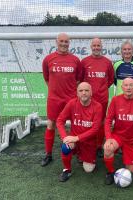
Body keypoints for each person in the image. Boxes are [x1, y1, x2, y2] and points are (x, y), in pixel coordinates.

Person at [41, 32, 82, 167]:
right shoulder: (48, 59)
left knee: (76, 124)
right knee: (51, 124)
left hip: (71, 99)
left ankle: (78, 152)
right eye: (61, 41)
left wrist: (69, 90)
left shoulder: (75, 60)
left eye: (66, 42)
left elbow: (78, 79)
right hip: (54, 99)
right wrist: (55, 90)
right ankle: (48, 154)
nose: (64, 44)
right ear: (56, 42)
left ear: (69, 43)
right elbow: (47, 78)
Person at [103, 78, 133, 185]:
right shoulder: (115, 100)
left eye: (131, 85)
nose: (128, 87)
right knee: (107, 149)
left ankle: (126, 153)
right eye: (126, 85)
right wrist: (108, 138)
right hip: (118, 136)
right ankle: (110, 172)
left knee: (131, 171)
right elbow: (108, 120)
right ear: (122, 87)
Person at [56, 82, 103, 182]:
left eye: (86, 90)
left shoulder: (98, 106)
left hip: (89, 142)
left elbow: (95, 129)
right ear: (77, 93)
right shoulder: (72, 103)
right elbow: (59, 120)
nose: (84, 93)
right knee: (66, 146)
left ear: (91, 93)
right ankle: (67, 170)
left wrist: (76, 138)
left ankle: (82, 156)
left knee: (89, 169)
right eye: (81, 91)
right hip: (74, 140)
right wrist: (65, 137)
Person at [81, 38, 114, 157]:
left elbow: (110, 79)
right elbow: (81, 80)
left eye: (98, 45)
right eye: (94, 45)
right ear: (91, 47)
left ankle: (99, 146)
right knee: (86, 122)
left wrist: (101, 89)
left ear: (101, 47)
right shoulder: (84, 62)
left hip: (102, 99)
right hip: (87, 99)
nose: (96, 47)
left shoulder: (107, 62)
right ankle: (86, 144)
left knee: (100, 122)